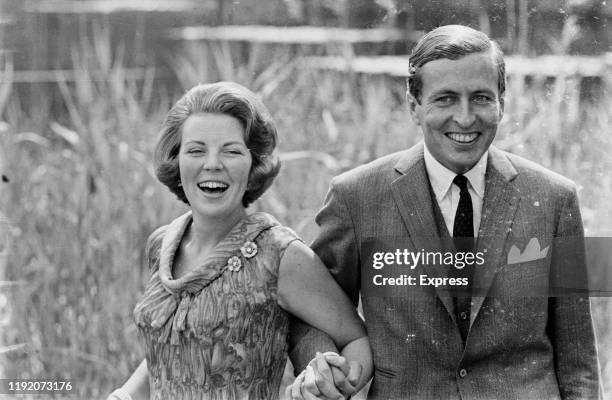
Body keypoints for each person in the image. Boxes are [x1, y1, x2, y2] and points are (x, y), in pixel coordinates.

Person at [288, 25, 600, 399]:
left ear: (502, 101)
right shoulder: (356, 196)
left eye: (481, 98)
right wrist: (322, 363)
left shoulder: (555, 198)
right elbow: (313, 311)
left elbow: (578, 359)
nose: (465, 118)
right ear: (413, 106)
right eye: (446, 99)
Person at [107, 82, 372, 400]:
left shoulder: (280, 255)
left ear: (254, 165)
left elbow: (357, 340)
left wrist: (332, 383)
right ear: (176, 161)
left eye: (231, 151)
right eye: (196, 150)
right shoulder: (163, 244)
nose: (212, 164)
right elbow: (169, 352)